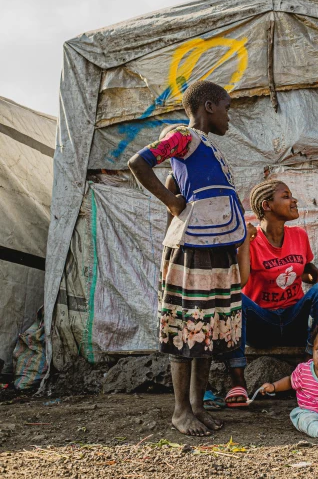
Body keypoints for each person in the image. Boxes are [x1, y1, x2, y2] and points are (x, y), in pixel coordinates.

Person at [127, 80, 245, 436]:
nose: (229, 116)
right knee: (188, 323)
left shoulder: (205, 147)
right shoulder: (183, 135)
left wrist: (175, 194)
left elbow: (175, 177)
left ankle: (196, 406)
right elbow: (139, 162)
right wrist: (172, 202)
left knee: (206, 327)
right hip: (194, 247)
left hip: (216, 243)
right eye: (226, 107)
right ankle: (180, 411)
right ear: (209, 106)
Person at [217, 179, 318, 406]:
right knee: (232, 297)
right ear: (267, 205)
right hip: (262, 323)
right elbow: (240, 282)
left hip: (293, 320)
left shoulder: (299, 236)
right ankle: (238, 381)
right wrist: (244, 243)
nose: (293, 200)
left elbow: (307, 272)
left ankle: (309, 368)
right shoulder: (251, 239)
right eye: (286, 196)